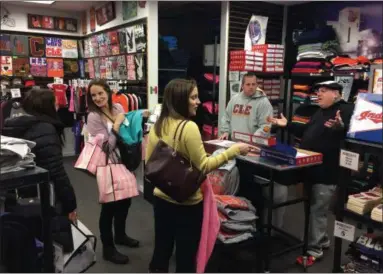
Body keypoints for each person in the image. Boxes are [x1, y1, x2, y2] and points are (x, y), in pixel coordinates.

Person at [145, 78, 250, 273]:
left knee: (162, 248)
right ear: (180, 100)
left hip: (161, 197)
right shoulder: (189, 127)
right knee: (186, 254)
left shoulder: (158, 125)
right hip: (186, 202)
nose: (198, 102)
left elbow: (149, 161)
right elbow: (203, 166)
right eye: (193, 97)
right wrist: (233, 150)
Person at [269, 80, 354, 264]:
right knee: (313, 208)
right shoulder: (320, 111)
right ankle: (322, 240)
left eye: (323, 91)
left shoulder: (346, 110)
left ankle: (314, 250)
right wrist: (287, 124)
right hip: (311, 168)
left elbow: (349, 132)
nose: (319, 94)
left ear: (336, 94)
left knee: (317, 210)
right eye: (318, 91)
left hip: (327, 171)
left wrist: (342, 127)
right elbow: (307, 129)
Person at [219, 72, 288, 230]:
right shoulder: (235, 100)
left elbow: (265, 127)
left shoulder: (264, 103)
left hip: (252, 152)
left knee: (252, 189)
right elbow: (226, 117)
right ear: (242, 85)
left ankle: (255, 224)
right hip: (235, 150)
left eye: (254, 84)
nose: (251, 87)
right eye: (248, 84)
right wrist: (224, 131)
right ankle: (238, 221)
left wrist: (251, 141)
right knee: (239, 186)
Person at [2, 89, 77, 221]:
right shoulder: (45, 128)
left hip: (15, 196)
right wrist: (70, 204)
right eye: (54, 102)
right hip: (42, 197)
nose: (57, 105)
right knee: (51, 236)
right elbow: (56, 172)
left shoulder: (12, 126)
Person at [86, 79, 139, 265]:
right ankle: (108, 248)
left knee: (125, 201)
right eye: (94, 95)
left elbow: (129, 131)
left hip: (124, 162)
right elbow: (106, 147)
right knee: (109, 207)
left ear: (108, 92)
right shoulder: (93, 117)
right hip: (107, 164)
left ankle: (121, 235)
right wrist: (116, 126)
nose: (98, 98)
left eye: (100, 93)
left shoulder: (117, 107)